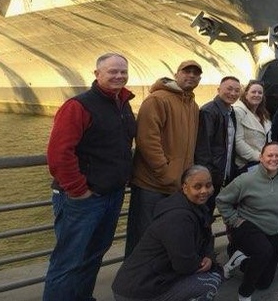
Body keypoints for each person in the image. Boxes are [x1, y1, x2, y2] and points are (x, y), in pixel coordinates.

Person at [44, 53, 136, 301]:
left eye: (123, 72)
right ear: (97, 74)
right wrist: (78, 190)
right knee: (68, 261)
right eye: (112, 71)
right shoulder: (78, 106)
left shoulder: (123, 104)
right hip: (84, 198)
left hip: (111, 194)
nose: (119, 76)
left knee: (94, 255)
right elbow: (58, 153)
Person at [112, 166, 223, 301]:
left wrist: (208, 256)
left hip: (147, 281)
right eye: (197, 187)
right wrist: (206, 263)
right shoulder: (179, 217)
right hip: (138, 290)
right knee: (210, 281)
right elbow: (184, 264)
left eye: (208, 185)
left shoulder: (193, 207)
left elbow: (205, 241)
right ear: (185, 187)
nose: (204, 191)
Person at [127, 60, 202, 256]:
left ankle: (154, 278)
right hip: (152, 184)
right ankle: (133, 282)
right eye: (187, 72)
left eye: (196, 73)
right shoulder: (157, 99)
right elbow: (146, 140)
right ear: (176, 74)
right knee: (143, 236)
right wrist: (165, 172)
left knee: (165, 236)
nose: (192, 76)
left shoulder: (192, 105)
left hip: (176, 184)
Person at [217, 143, 278, 301]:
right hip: (246, 225)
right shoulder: (246, 179)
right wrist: (233, 220)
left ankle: (239, 259)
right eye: (270, 155)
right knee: (263, 251)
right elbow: (222, 200)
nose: (274, 158)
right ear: (261, 158)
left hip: (274, 228)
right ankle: (244, 293)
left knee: (264, 283)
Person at [195, 76, 242, 215]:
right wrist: (207, 175)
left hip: (223, 173)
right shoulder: (208, 111)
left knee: (211, 211)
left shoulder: (231, 112)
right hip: (212, 174)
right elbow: (203, 147)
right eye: (229, 89)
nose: (233, 93)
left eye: (237, 90)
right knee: (204, 211)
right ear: (218, 89)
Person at [232, 80, 271, 173]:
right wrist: (259, 157)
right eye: (253, 92)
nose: (257, 95)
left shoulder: (263, 115)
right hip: (246, 166)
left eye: (260, 93)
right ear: (246, 95)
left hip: (263, 164)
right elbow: (238, 142)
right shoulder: (238, 112)